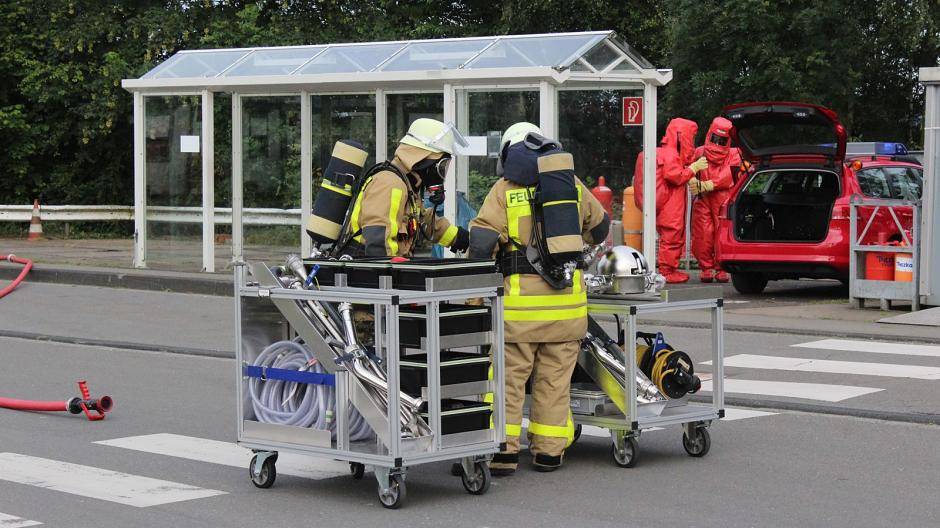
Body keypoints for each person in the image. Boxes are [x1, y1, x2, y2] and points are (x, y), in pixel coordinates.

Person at [469, 122, 610, 474]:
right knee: (554, 383)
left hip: (520, 312)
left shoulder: (504, 190)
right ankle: (549, 452)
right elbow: (601, 228)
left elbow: (482, 243)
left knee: (508, 382)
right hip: (567, 310)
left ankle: (502, 452)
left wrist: (474, 293)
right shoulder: (570, 185)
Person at [342, 118, 469, 257]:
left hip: (386, 266)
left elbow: (422, 222)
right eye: (442, 165)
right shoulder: (390, 183)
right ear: (425, 159)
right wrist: (394, 269)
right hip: (367, 267)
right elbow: (379, 241)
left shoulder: (408, 185)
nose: (442, 172)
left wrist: (459, 238)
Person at [633, 118, 707, 283]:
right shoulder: (671, 154)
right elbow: (675, 176)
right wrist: (693, 168)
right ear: (682, 136)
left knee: (670, 236)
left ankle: (668, 269)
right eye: (691, 137)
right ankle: (667, 271)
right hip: (670, 205)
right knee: (672, 236)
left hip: (665, 203)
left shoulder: (662, 152)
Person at [690, 117, 736, 282]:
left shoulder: (733, 154)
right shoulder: (699, 152)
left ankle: (720, 267)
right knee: (703, 233)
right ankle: (707, 267)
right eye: (715, 139)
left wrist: (707, 184)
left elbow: (730, 174)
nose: (717, 144)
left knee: (720, 232)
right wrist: (692, 180)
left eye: (721, 140)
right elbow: (689, 168)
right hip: (704, 198)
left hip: (721, 199)